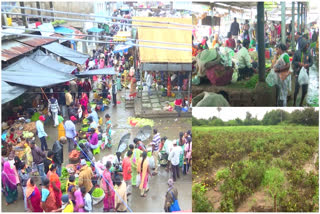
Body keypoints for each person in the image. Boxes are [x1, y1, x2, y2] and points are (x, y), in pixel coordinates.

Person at [293, 38, 313, 106]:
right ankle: (294, 102)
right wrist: (299, 63)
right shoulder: (297, 52)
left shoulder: (309, 53)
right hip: (298, 73)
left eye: (307, 46)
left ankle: (301, 103)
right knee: (296, 90)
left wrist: (308, 65)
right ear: (302, 45)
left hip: (305, 73)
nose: (307, 47)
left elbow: (311, 62)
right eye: (305, 46)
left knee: (305, 90)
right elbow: (293, 62)